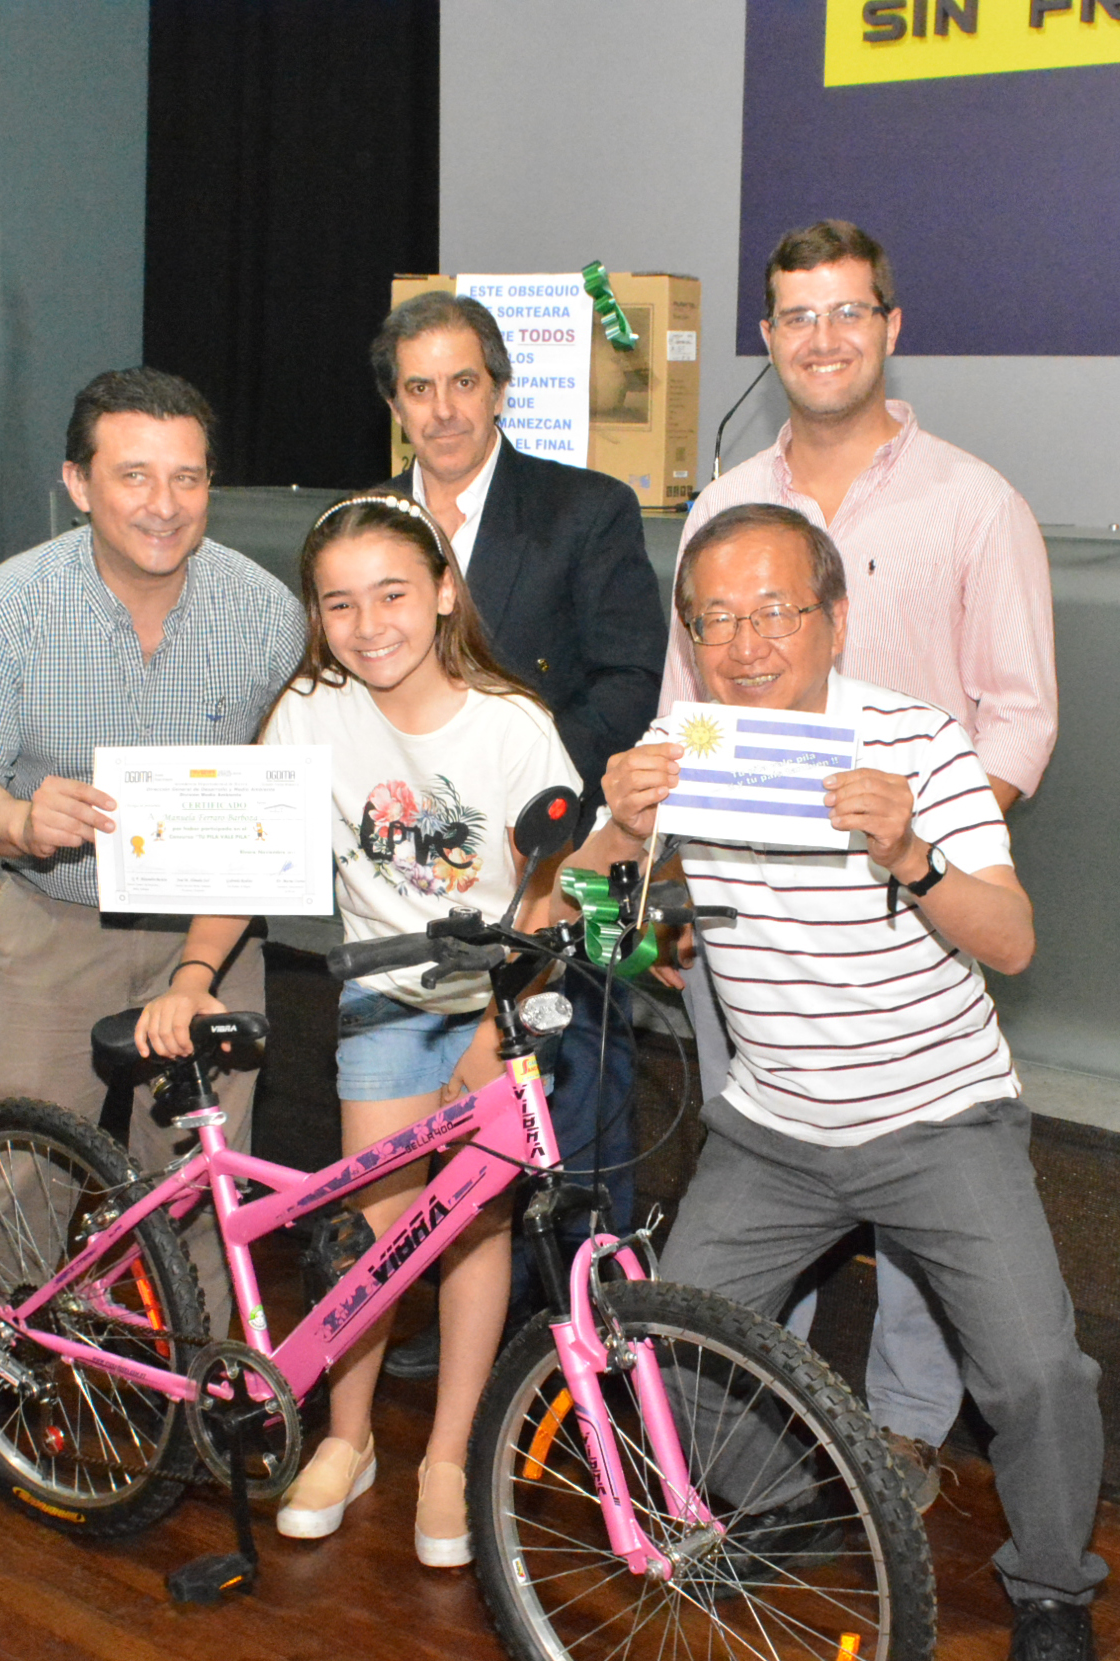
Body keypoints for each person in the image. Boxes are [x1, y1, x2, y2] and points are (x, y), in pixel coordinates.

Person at [572, 503, 1107, 1661]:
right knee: (661, 1353)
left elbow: (1012, 939)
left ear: (834, 620)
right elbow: (590, 921)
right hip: (773, 1127)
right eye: (714, 619)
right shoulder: (681, 745)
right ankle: (792, 1499)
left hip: (938, 1114)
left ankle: (1049, 1594)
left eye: (774, 611)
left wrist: (910, 852)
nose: (745, 643)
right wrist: (620, 833)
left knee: (1037, 1373)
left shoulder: (916, 741)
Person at [662, 221, 1059, 1506]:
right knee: (760, 1169)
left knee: (934, 1218)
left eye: (846, 311)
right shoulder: (722, 503)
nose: (820, 337)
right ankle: (768, 1462)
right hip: (747, 914)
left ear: (889, 325)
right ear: (766, 336)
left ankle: (900, 1434)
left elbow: (1018, 714)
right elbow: (684, 710)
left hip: (908, 901)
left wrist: (928, 846)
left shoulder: (972, 500)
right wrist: (677, 878)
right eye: (795, 315)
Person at [136, 494, 581, 1566]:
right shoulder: (310, 710)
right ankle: (347, 1437)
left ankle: (448, 1453)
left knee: (473, 1225)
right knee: (373, 1227)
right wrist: (193, 973)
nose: (368, 624)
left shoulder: (510, 723)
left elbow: (549, 890)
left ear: (442, 593)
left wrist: (496, 1029)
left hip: (496, 1002)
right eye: (339, 603)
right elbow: (247, 854)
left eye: (392, 594)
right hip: (384, 998)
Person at [0, 366, 307, 1458]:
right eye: (133, 475)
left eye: (187, 477)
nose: (162, 504)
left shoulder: (264, 614)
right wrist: (20, 818)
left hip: (210, 940)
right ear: (79, 484)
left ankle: (205, 1391)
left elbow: (293, 780)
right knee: (15, 1170)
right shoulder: (13, 605)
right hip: (53, 926)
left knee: (203, 1183)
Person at [376, 290, 668, 1365]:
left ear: (499, 388)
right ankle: (478, 1320)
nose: (445, 409)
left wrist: (521, 792)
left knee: (571, 1105)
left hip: (558, 857)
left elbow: (627, 681)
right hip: (415, 875)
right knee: (441, 1105)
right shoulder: (366, 526)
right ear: (394, 404)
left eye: (464, 381)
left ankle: (590, 1344)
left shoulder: (584, 509)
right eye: (420, 388)